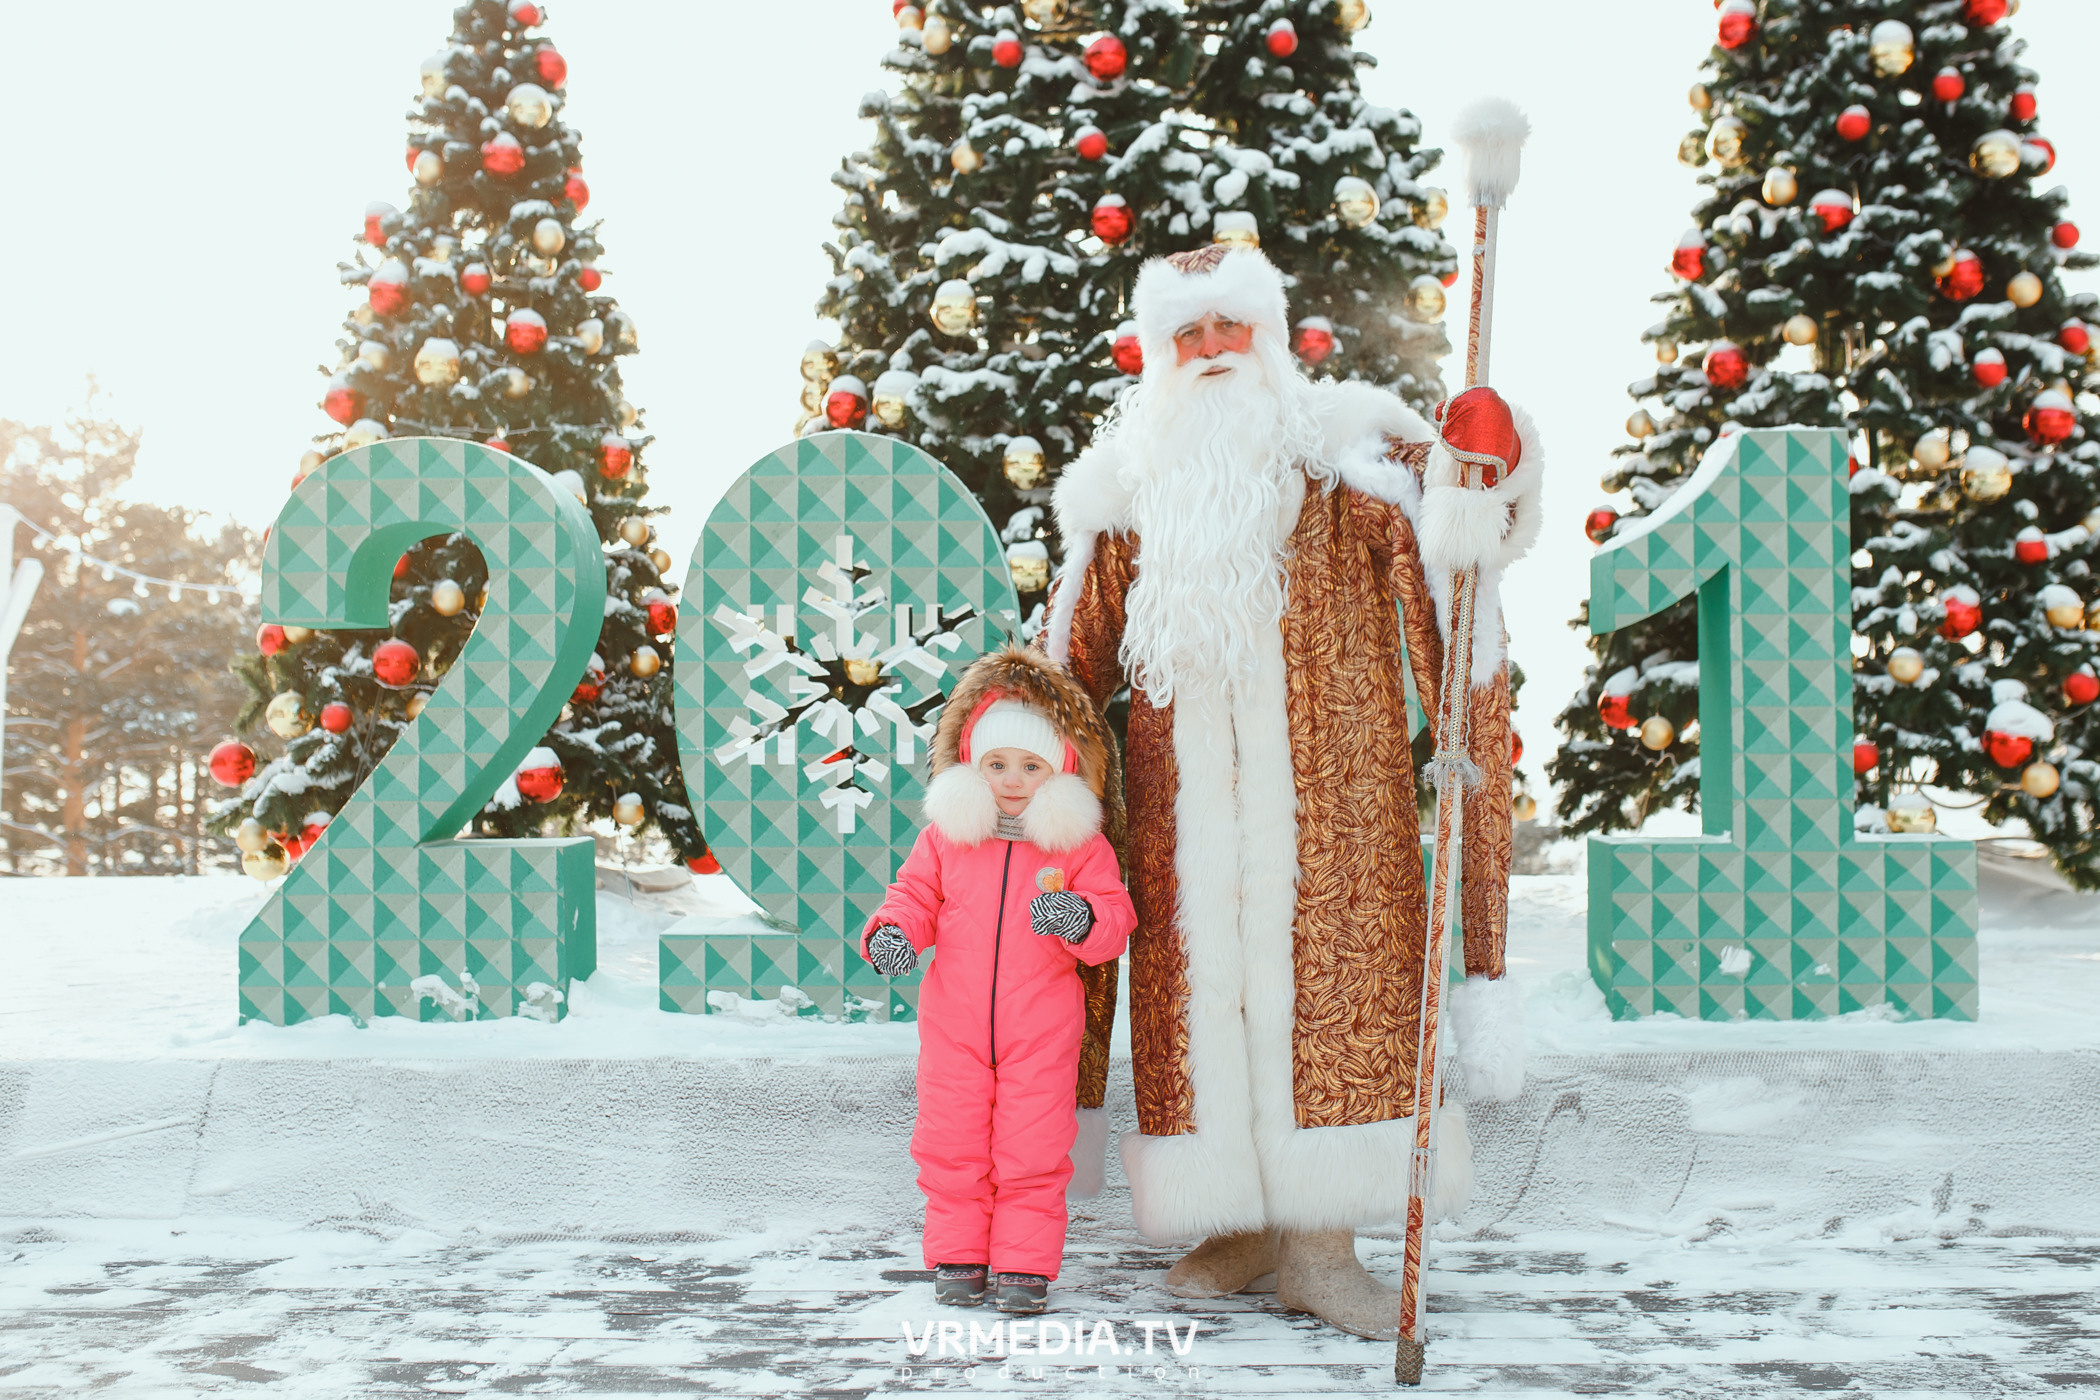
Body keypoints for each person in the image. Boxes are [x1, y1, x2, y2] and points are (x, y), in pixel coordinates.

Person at [1042, 245, 1539, 1340]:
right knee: (1202, 1007)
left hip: (1337, 810)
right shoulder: (1125, 493)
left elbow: (1465, 512)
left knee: (1330, 1006)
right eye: (1188, 333)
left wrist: (1491, 460)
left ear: (1269, 336)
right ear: (1160, 353)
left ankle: (1321, 1244)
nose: (1212, 349)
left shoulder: (1349, 453)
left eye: (1231, 326)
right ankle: (1245, 1223)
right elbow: (1066, 667)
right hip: (1183, 823)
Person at [861, 645, 1137, 1315]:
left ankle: (1023, 1263)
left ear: (1061, 767)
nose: (1013, 780)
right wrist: (893, 934)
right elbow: (912, 898)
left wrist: (1080, 917)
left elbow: (1114, 919)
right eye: (997, 764)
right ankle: (959, 1252)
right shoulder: (946, 840)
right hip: (954, 1025)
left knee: (1032, 1144)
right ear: (973, 764)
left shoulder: (1078, 846)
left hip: (1040, 1029)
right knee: (951, 1139)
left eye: (1030, 766)